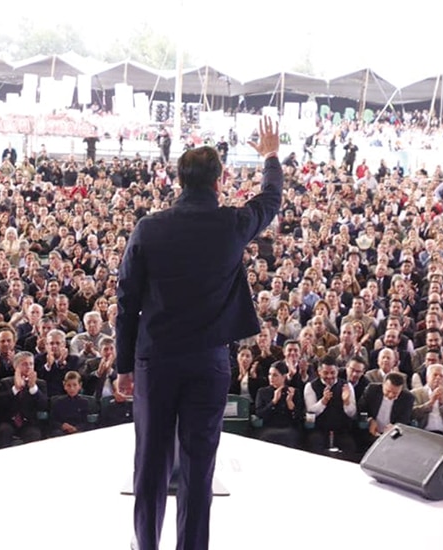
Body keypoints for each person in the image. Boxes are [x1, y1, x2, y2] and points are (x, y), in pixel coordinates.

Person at [116, 117, 281, 550]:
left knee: (150, 464)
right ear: (219, 181)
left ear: (179, 179)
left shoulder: (149, 228)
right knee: (198, 468)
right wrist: (270, 156)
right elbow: (271, 199)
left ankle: (145, 544)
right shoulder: (232, 224)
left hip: (155, 361)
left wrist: (123, 365)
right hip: (208, 363)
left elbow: (126, 299)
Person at [253, 365, 303, 448]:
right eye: (269, 374)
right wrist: (273, 401)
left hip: (288, 428)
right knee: (266, 437)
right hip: (269, 427)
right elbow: (259, 413)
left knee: (289, 437)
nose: (271, 378)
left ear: (284, 377)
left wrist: (290, 404)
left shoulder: (293, 392)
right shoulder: (262, 392)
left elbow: (299, 417)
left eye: (275, 375)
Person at [411, 363, 443, 437]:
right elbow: (412, 414)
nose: (438, 378)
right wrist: (430, 403)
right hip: (423, 433)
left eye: (441, 376)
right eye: (435, 375)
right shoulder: (416, 393)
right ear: (427, 377)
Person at [49, 371, 91, 437]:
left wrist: (76, 428)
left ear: (80, 385)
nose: (72, 388)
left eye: (75, 385)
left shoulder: (84, 402)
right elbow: (52, 420)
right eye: (69, 385)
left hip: (78, 431)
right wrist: (61, 426)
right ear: (64, 386)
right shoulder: (58, 402)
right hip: (62, 432)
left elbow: (85, 421)